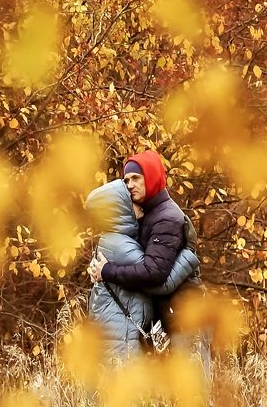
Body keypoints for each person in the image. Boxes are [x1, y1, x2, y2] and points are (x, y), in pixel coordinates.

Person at [88, 151, 209, 372]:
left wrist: (107, 271)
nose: (130, 185)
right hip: (169, 317)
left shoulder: (167, 218)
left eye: (136, 178)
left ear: (151, 176)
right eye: (126, 180)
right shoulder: (148, 215)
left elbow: (153, 273)